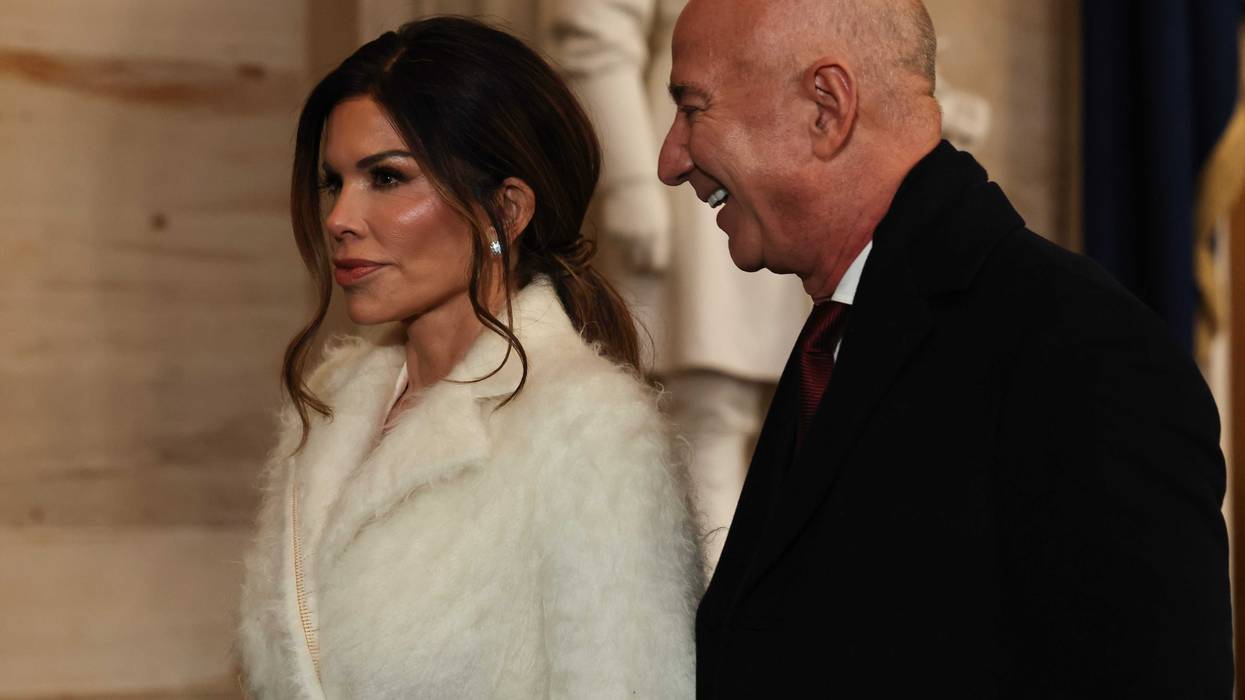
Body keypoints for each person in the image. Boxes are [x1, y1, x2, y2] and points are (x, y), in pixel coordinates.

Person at [657, 1, 1233, 697]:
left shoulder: (1082, 350)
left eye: (692, 108)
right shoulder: (840, 333)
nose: (669, 159)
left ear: (825, 107)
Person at [235, 17, 698, 698]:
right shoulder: (331, 399)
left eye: (386, 178)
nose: (339, 218)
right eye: (334, 181)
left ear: (505, 210)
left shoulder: (591, 430)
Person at [545, 0, 810, 578]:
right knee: (705, 423)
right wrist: (631, 182)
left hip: (778, 177)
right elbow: (594, 35)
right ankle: (716, 633)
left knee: (761, 428)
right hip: (690, 184)